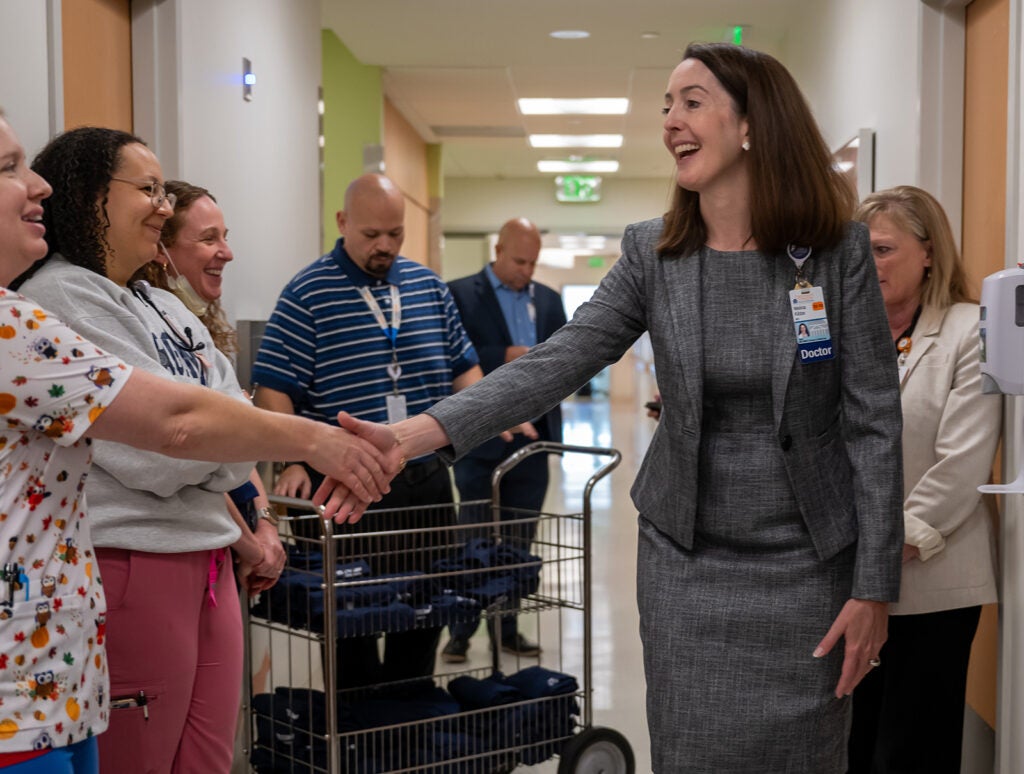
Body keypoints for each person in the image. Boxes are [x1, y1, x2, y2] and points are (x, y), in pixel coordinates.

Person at [322, 43, 905, 773]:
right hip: (686, 564)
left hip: (807, 571)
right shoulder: (654, 256)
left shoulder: (834, 255)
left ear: (752, 123)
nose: (670, 121)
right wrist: (412, 436)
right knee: (691, 753)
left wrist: (874, 587)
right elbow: (557, 361)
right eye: (666, 105)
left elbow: (874, 423)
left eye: (691, 101)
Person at [0, 111, 395, 773]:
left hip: (164, 574)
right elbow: (165, 440)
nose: (163, 206)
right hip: (117, 573)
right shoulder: (50, 305)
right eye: (147, 190)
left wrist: (235, 472)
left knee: (205, 755)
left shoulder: (158, 304)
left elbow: (219, 417)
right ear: (93, 196)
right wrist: (290, 443)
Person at [251, 172, 491, 690]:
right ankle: (358, 742)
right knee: (350, 630)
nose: (385, 245)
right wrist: (291, 458)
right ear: (342, 223)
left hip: (422, 484)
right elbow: (274, 387)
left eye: (395, 233)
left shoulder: (429, 287)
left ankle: (409, 730)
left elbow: (464, 368)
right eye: (371, 234)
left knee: (424, 613)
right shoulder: (307, 293)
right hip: (341, 489)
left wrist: (489, 414)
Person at [846, 186, 1001, 773]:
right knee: (850, 745)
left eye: (883, 249)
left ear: (930, 252)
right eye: (859, 252)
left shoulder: (971, 330)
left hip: (933, 581)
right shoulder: (840, 334)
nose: (869, 264)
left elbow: (962, 464)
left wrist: (881, 558)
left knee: (912, 750)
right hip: (847, 581)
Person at [139, 180, 286, 597]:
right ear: (160, 251)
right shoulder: (149, 328)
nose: (227, 252)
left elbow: (238, 442)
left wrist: (266, 522)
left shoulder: (204, 323)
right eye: (209, 239)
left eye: (225, 237)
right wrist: (249, 544)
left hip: (230, 534)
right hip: (195, 538)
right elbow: (191, 464)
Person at [441, 217, 567, 662]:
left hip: (534, 442)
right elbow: (452, 357)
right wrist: (504, 356)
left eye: (533, 262)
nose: (526, 271)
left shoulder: (550, 302)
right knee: (473, 538)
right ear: (497, 249)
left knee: (520, 541)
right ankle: (460, 631)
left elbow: (566, 362)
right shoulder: (458, 294)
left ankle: (507, 628)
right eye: (518, 260)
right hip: (479, 440)